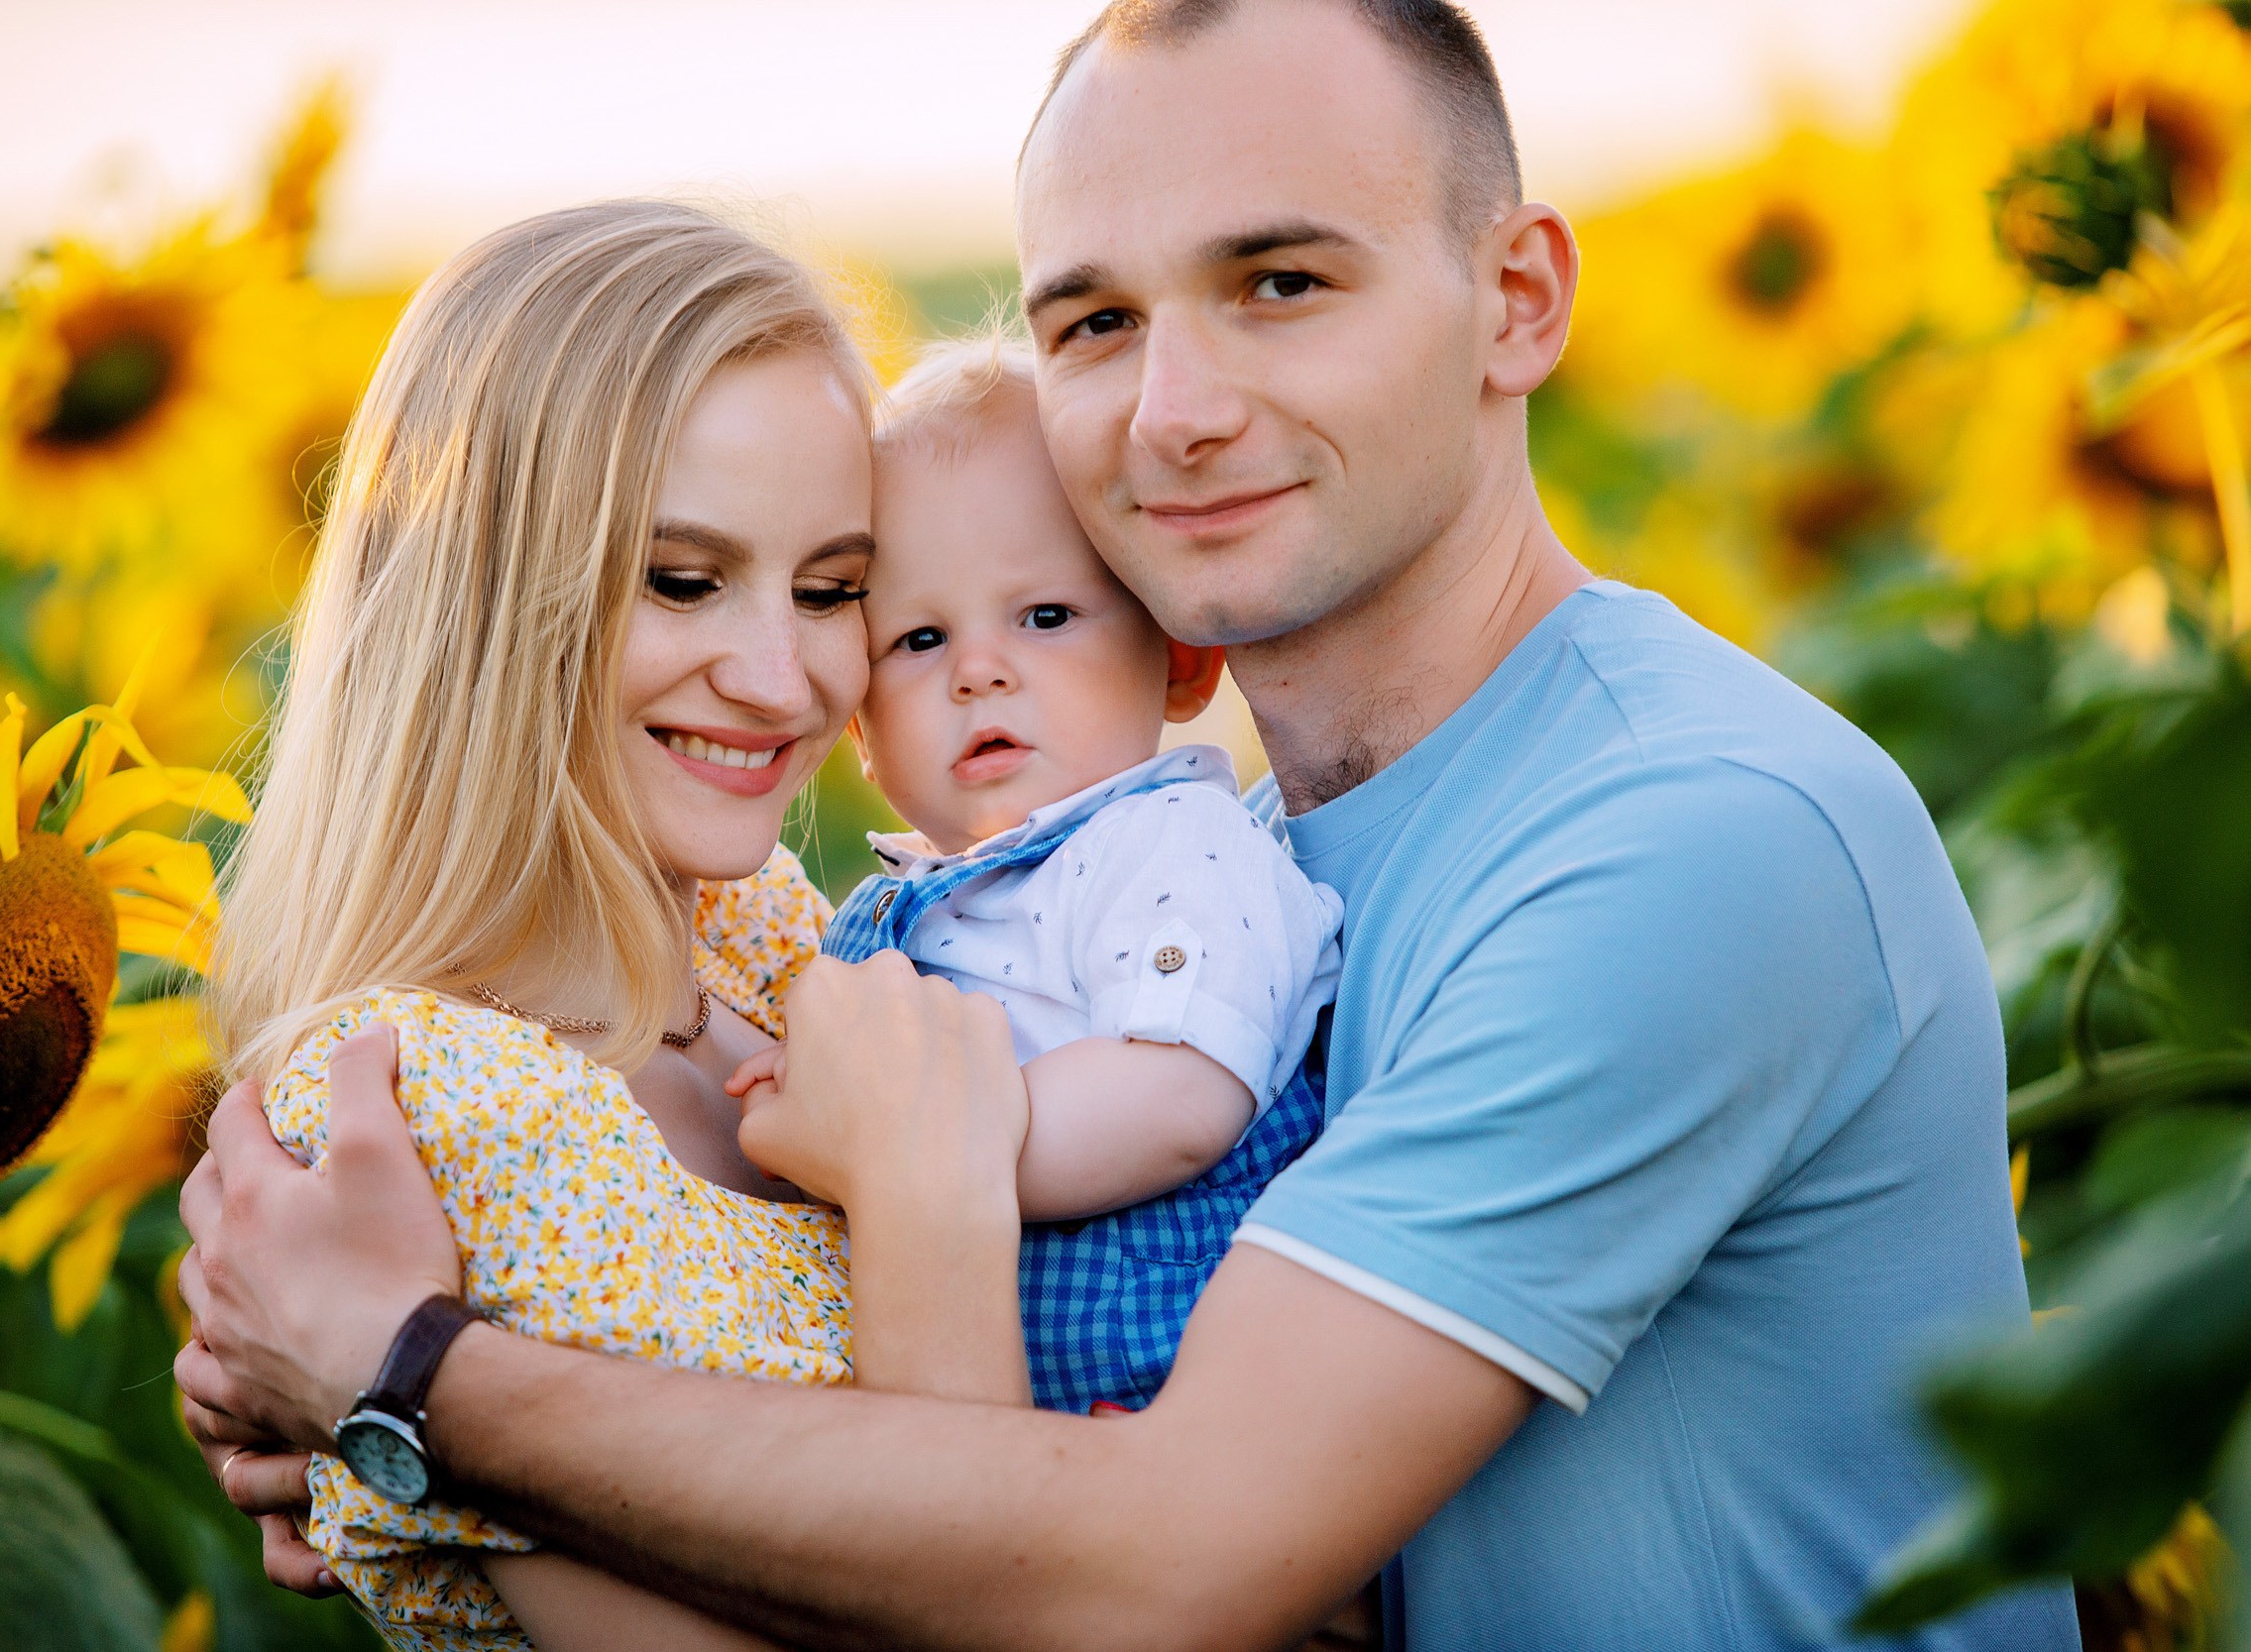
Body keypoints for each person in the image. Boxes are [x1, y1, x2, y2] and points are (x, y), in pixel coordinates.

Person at [176, 3, 2084, 1647]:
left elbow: (1157, 1570)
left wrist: (410, 1385)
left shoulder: (1680, 840)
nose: (1172, 409)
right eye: (1092, 320)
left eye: (1282, 283)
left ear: (1515, 303)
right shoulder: (1195, 865)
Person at [201, 200, 1032, 1651]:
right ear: (480, 595)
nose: (785, 681)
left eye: (831, 587)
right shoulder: (416, 1107)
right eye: (682, 578)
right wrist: (929, 1208)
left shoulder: (758, 936)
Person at [769, 335, 1341, 1412]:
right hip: (963, 1398)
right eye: (920, 636)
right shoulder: (887, 914)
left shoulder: (1173, 848)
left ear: (1178, 656)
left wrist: (891, 1148)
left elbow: (1176, 1092)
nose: (980, 669)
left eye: (1044, 616)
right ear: (859, 725)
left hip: (1162, 1412)